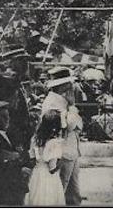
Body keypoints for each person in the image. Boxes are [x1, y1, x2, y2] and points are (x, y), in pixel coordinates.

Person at [41, 67, 83, 206]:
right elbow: (69, 125)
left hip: (71, 150)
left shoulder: (61, 100)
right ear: (62, 86)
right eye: (69, 83)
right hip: (62, 152)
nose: (72, 86)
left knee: (73, 194)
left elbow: (79, 124)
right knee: (60, 192)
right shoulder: (53, 103)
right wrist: (72, 107)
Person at [0, 101, 31, 206]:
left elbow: (23, 152)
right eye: (3, 116)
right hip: (2, 190)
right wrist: (19, 166)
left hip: (16, 186)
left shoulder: (11, 134)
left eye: (8, 116)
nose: (7, 119)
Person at [25, 111, 66, 206]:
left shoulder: (35, 139)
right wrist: (61, 162)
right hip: (48, 176)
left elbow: (32, 158)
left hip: (36, 173)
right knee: (48, 199)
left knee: (36, 198)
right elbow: (52, 168)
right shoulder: (55, 143)